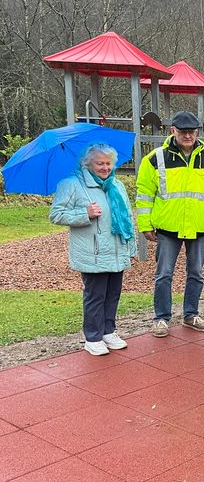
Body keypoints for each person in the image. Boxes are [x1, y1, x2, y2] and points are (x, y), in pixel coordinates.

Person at [136, 110, 204, 338]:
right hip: (168, 227)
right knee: (164, 274)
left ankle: (191, 314)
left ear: (197, 132)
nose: (188, 136)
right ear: (173, 131)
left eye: (191, 132)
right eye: (183, 132)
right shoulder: (155, 158)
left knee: (196, 273)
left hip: (199, 225)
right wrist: (145, 224)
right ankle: (161, 318)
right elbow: (144, 193)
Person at [49, 143, 137, 356]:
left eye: (108, 163)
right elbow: (56, 214)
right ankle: (93, 336)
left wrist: (130, 248)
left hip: (116, 249)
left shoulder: (117, 185)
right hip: (92, 252)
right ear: (88, 163)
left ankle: (108, 331)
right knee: (95, 295)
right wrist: (84, 213)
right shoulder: (71, 184)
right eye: (100, 163)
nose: (105, 168)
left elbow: (126, 218)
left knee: (113, 294)